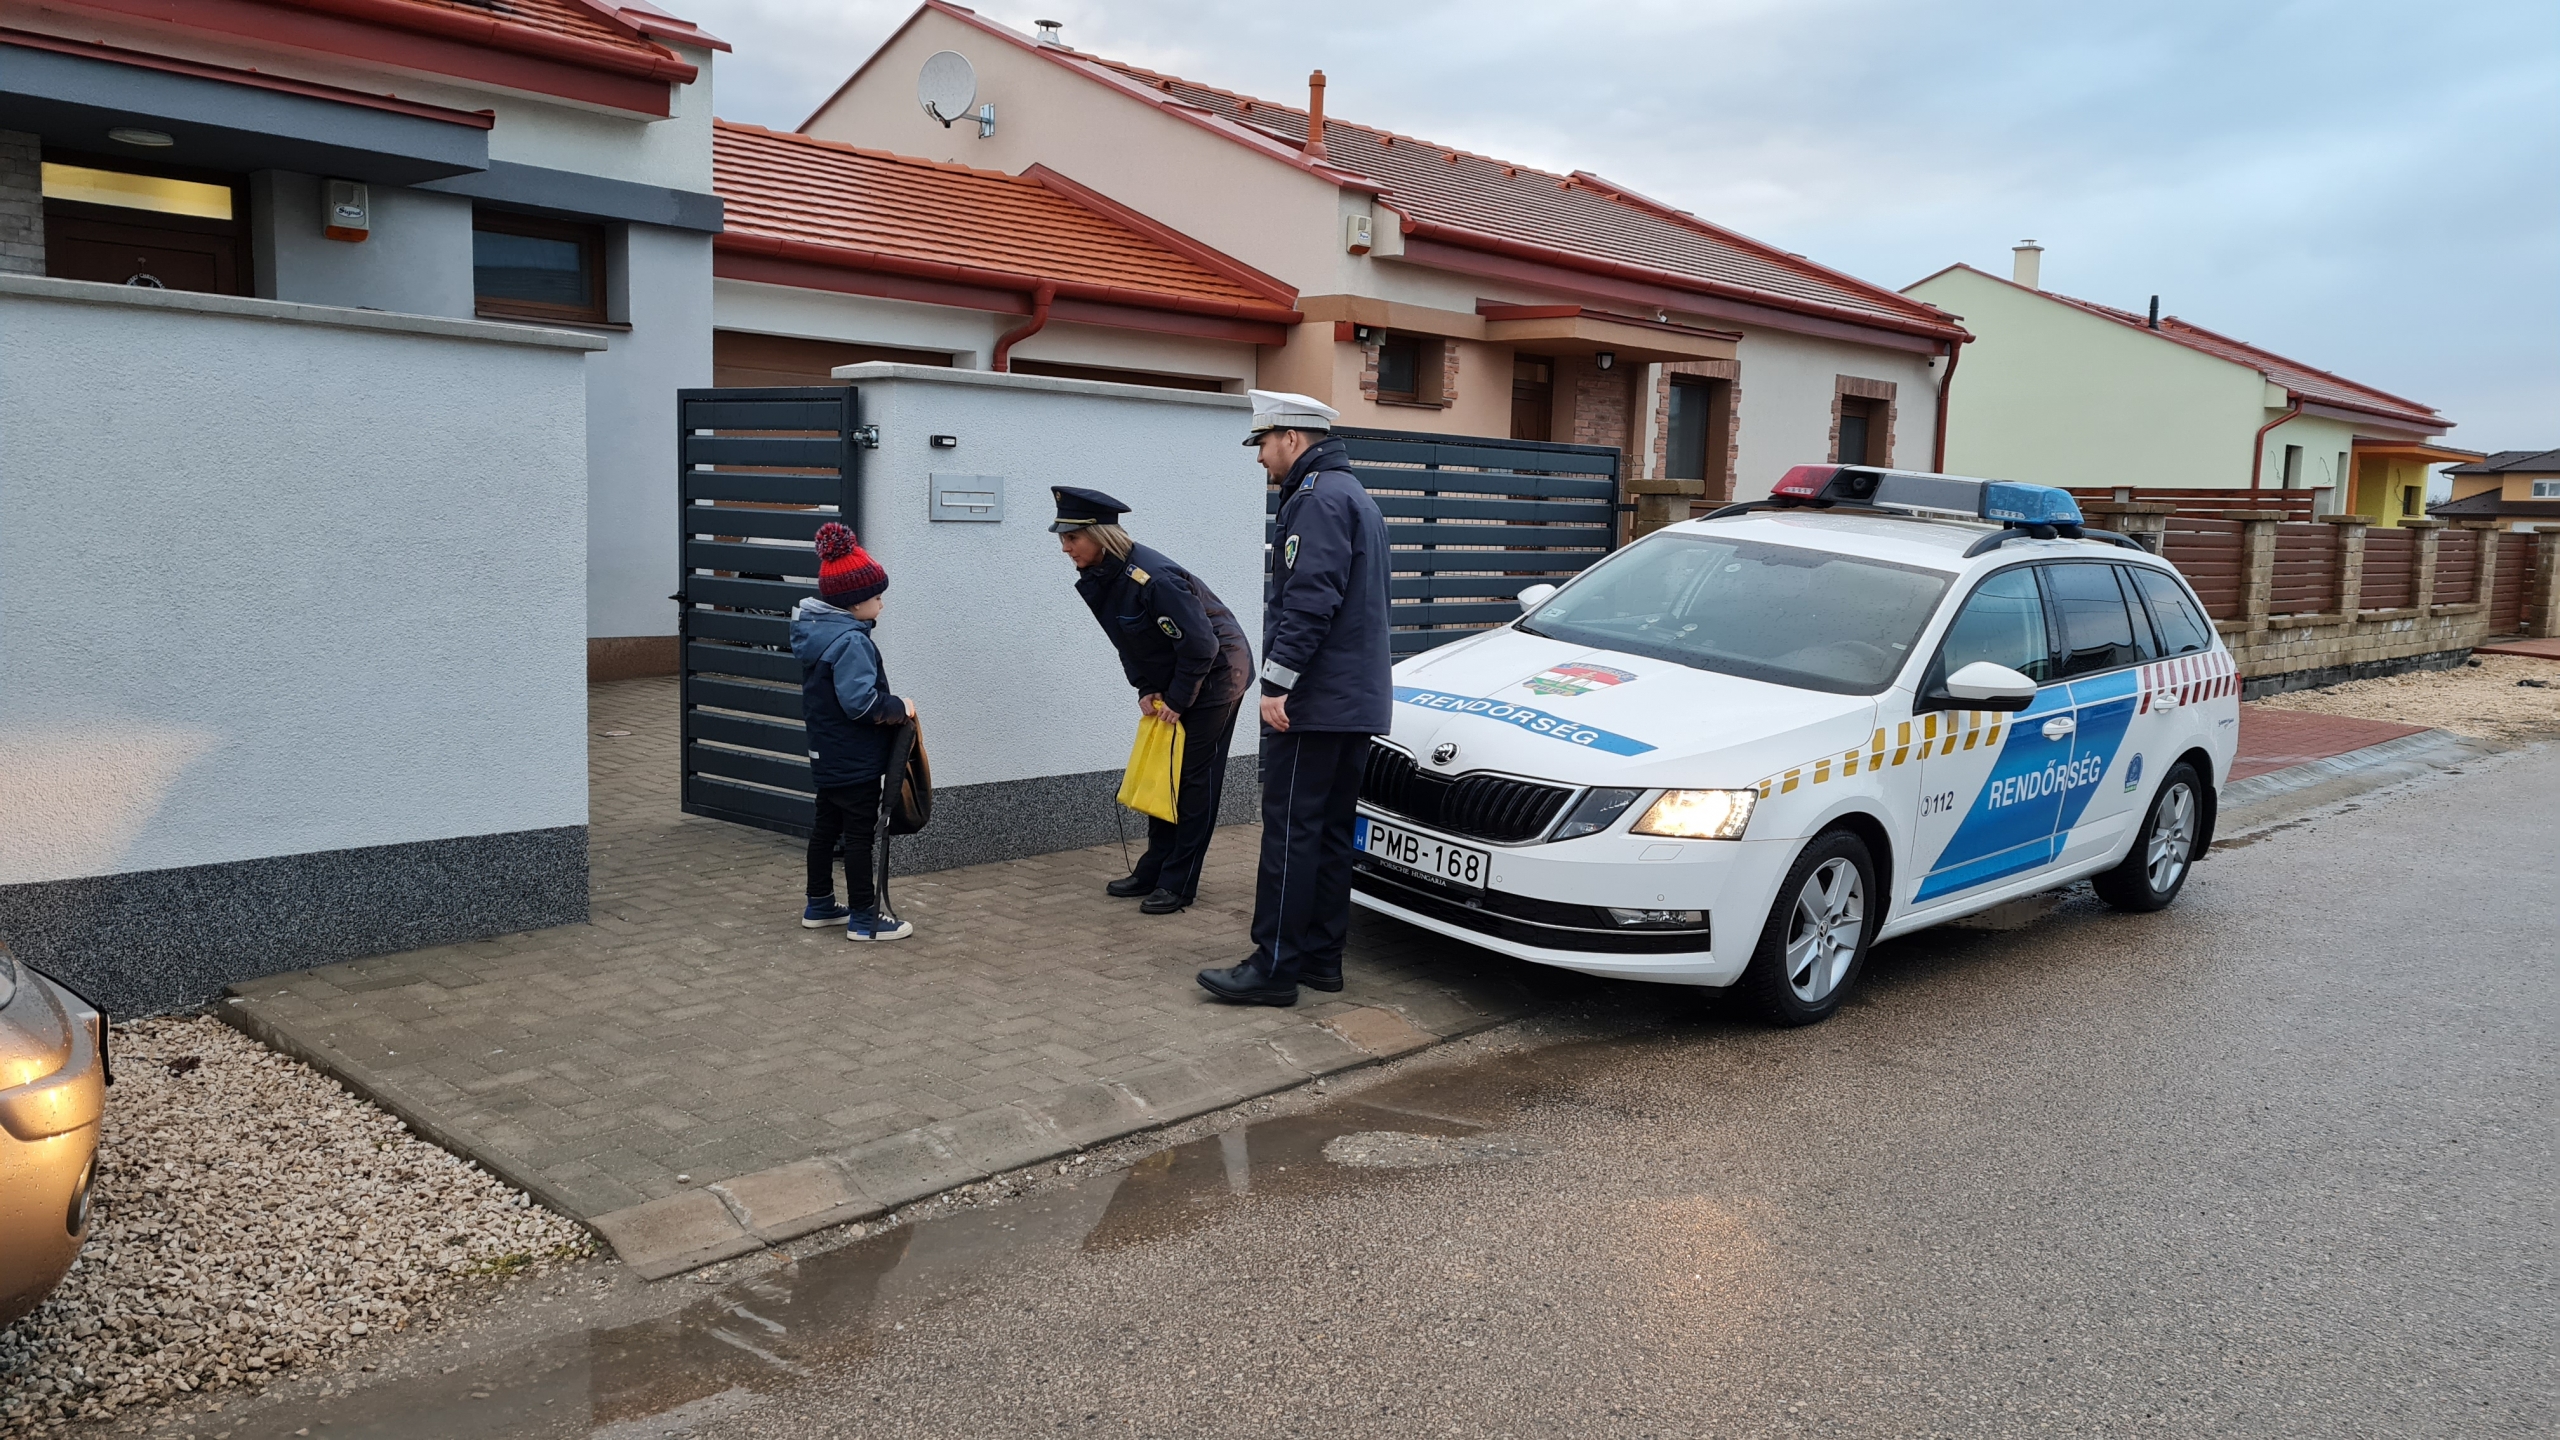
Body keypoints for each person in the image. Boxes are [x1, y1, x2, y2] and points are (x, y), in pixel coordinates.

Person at [1197, 391, 1392, 1007]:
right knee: (1332, 831)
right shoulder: (1353, 495)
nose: (1259, 458)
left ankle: (1273, 966)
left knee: (1290, 832)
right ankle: (1320, 959)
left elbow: (1310, 601)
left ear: (1291, 437)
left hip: (1314, 700)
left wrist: (1278, 684)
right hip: (1354, 700)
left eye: (1262, 443)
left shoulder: (1315, 501)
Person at [1054, 485, 1253, 915]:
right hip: (1181, 674)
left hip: (1217, 677)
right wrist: (1146, 689)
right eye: (1062, 539)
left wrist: (1178, 701)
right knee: (1164, 769)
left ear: (1100, 536)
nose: (1065, 548)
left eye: (1072, 538)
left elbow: (1202, 648)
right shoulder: (1103, 576)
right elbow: (1127, 641)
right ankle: (1154, 867)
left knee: (1192, 780)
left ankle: (1180, 882)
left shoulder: (1152, 579)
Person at [790, 522, 916, 942]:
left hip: (826, 753)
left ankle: (820, 904)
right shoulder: (852, 642)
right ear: (855, 601)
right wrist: (900, 708)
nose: (881, 604)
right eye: (877, 597)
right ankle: (865, 918)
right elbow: (860, 703)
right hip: (854, 757)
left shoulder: (820, 633)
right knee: (860, 835)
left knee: (826, 827)